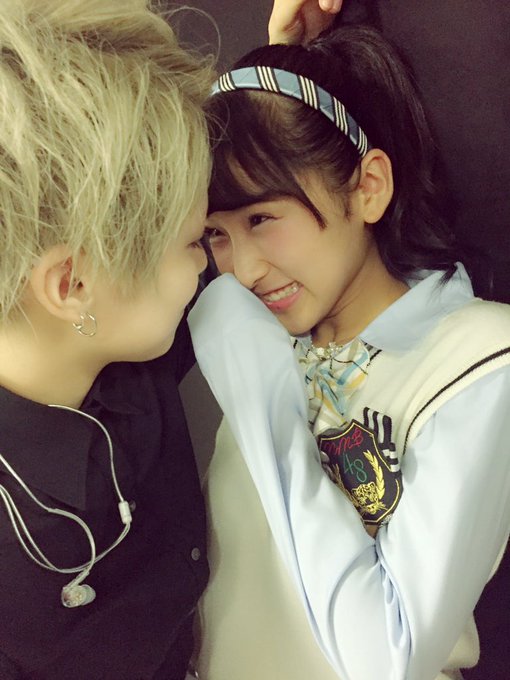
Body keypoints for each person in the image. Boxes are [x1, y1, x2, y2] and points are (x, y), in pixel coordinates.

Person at [188, 20, 510, 680]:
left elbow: (390, 655)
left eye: (261, 219)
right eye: (216, 234)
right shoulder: (268, 339)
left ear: (368, 187)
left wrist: (260, 397)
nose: (242, 270)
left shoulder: (480, 359)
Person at [0, 1, 214, 677]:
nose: (208, 260)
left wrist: (281, 60)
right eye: (194, 241)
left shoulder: (125, 345)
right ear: (74, 285)